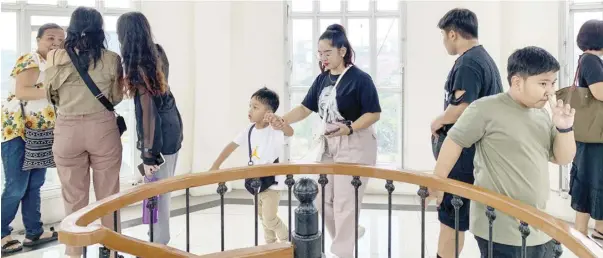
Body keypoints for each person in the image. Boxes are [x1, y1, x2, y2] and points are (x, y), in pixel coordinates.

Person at [432, 46, 576, 257]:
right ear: (517, 82)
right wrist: (438, 183)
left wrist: (565, 127)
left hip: (538, 224)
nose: (551, 91)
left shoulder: (543, 115)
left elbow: (562, 158)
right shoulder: (485, 108)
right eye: (543, 83)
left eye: (553, 83)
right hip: (499, 227)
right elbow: (454, 141)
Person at [271, 24, 381, 258]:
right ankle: (349, 234)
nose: (323, 58)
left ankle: (343, 252)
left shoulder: (360, 79)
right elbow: (304, 108)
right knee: (321, 199)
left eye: (327, 53)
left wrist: (349, 128)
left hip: (356, 143)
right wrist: (282, 119)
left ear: (342, 51)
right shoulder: (322, 79)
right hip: (330, 144)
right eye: (319, 54)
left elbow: (374, 113)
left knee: (344, 203)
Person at [44, 7, 124, 257]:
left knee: (73, 197)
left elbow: (51, 96)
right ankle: (111, 249)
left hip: (67, 128)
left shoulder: (56, 57)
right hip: (101, 127)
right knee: (109, 194)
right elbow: (116, 97)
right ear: (100, 29)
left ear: (71, 28)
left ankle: (74, 252)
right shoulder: (111, 58)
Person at [429, 8, 503, 258]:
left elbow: (461, 108)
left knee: (451, 221)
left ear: (452, 34)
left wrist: (436, 122)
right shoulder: (483, 58)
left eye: (443, 36)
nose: (443, 42)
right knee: (458, 220)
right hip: (475, 156)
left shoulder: (469, 63)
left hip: (463, 159)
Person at [116, 11, 183, 245]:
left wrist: (148, 155)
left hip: (159, 137)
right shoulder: (158, 52)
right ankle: (158, 241)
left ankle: (157, 245)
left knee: (156, 195)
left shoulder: (138, 65)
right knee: (162, 193)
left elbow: (148, 113)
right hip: (173, 127)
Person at [0, 23, 64, 255]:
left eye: (60, 39)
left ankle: (34, 232)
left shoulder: (55, 65)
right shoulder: (31, 59)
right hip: (18, 131)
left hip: (41, 132)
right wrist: (55, 92)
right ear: (38, 40)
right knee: (16, 187)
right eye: (50, 38)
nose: (56, 43)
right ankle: (1, 234)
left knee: (34, 185)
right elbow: (22, 91)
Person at [211, 87, 291, 244]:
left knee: (270, 218)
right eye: (250, 106)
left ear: (268, 112)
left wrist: (278, 121)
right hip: (255, 182)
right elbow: (230, 147)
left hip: (272, 183)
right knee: (262, 217)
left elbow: (289, 132)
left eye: (255, 107)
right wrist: (215, 166)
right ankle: (271, 247)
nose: (250, 110)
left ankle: (288, 242)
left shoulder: (274, 129)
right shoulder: (248, 130)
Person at [569, 19, 603, 240]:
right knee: (590, 179)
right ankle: (580, 234)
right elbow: (600, 93)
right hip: (593, 137)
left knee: (595, 179)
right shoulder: (590, 60)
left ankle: (598, 229)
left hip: (594, 135)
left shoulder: (591, 60)